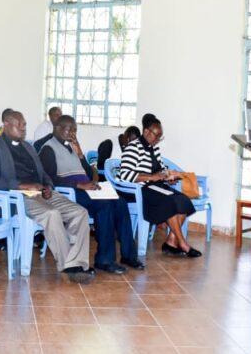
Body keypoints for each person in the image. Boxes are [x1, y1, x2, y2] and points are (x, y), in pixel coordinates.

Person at [0, 111, 93, 284]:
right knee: (52, 214)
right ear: (6, 124)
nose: (23, 128)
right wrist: (21, 186)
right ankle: (69, 266)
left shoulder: (28, 147)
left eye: (24, 124)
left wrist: (48, 186)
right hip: (18, 197)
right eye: (18, 124)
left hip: (42, 193)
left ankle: (78, 262)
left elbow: (43, 173)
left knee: (80, 212)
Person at [40, 116, 140, 273]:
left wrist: (80, 155)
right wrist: (80, 185)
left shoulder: (72, 147)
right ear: (58, 128)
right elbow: (50, 179)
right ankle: (105, 260)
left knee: (120, 202)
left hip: (86, 188)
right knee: (104, 206)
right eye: (69, 130)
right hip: (70, 192)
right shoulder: (48, 149)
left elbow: (88, 173)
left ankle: (128, 255)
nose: (73, 134)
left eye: (75, 130)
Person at [118, 117, 200, 258]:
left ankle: (171, 241)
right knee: (170, 201)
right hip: (141, 189)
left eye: (159, 137)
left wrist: (168, 177)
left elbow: (161, 169)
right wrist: (151, 177)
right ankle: (182, 243)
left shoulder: (154, 149)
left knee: (183, 200)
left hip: (157, 187)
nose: (157, 140)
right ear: (146, 131)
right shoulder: (133, 148)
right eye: (156, 136)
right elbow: (124, 174)